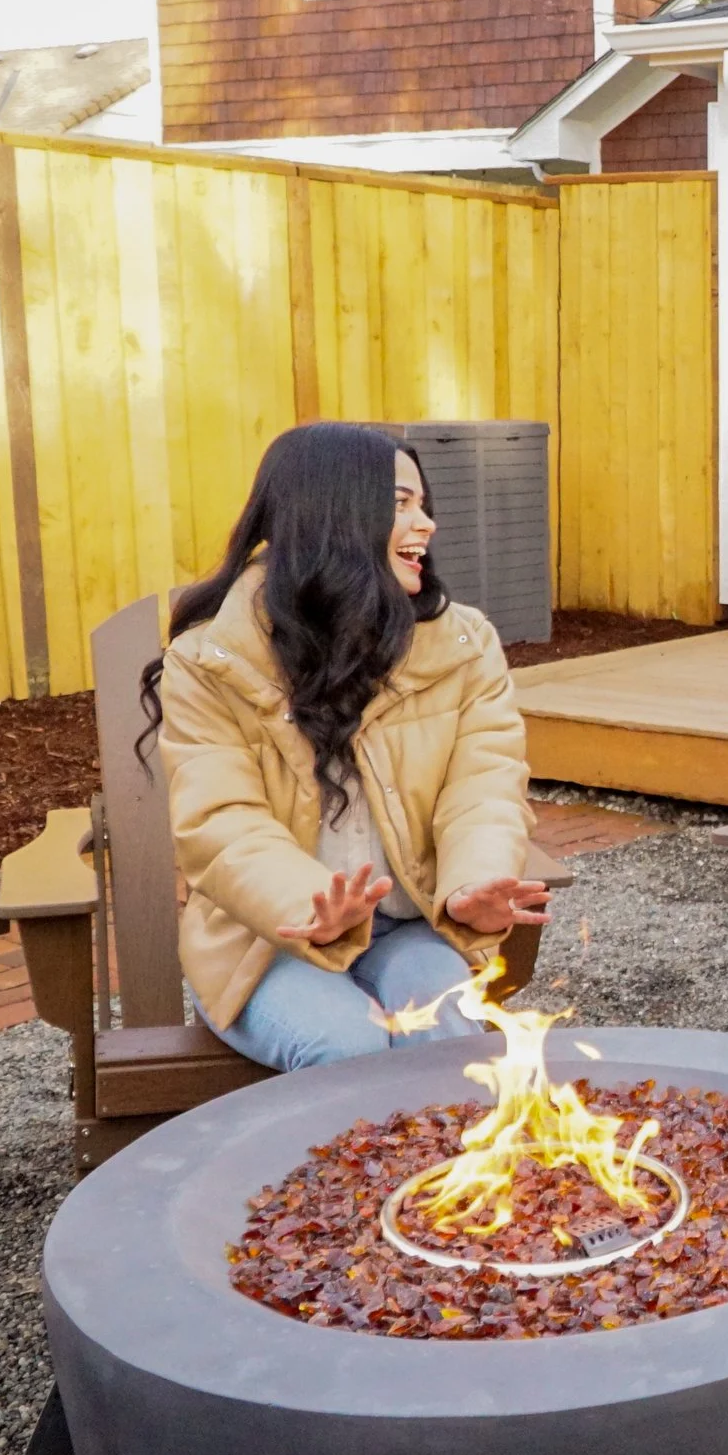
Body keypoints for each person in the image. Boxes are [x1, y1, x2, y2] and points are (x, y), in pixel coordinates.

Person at [135, 424, 548, 1071]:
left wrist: (470, 883)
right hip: (267, 939)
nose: (427, 523)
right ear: (336, 514)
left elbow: (485, 783)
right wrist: (310, 907)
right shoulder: (213, 661)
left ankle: (444, 1176)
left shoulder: (462, 643)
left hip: (411, 926)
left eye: (423, 503)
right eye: (401, 504)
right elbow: (221, 822)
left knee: (452, 1038)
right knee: (346, 1047)